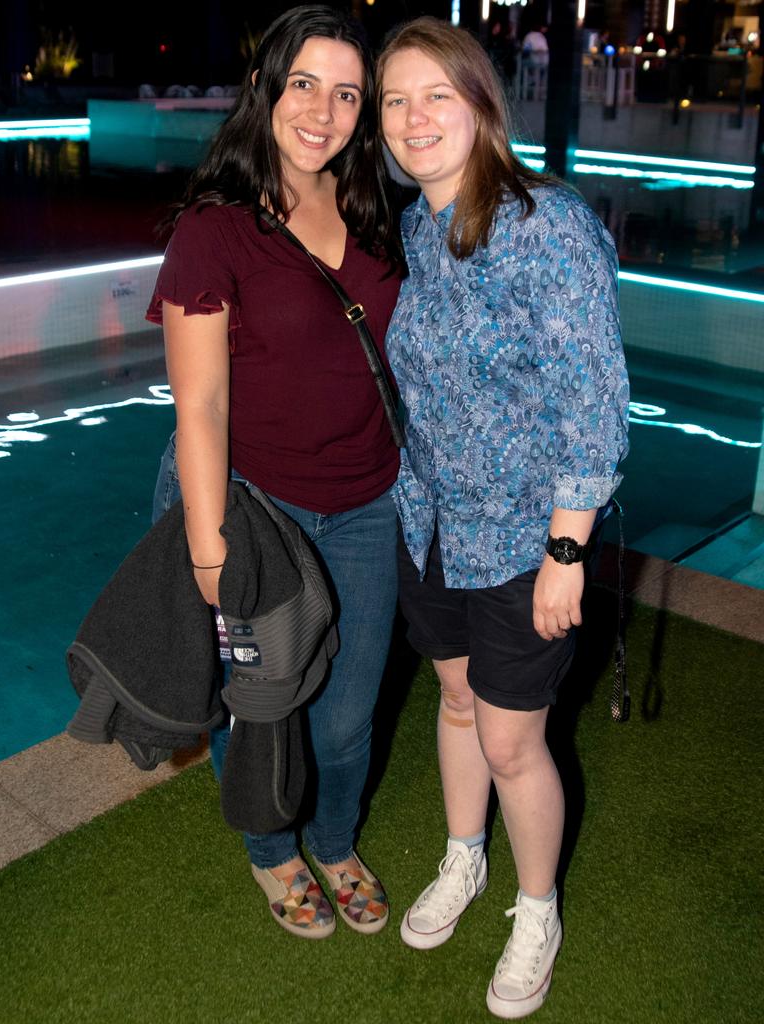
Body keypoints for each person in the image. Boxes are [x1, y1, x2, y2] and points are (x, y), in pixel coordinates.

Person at [377, 17, 629, 1020]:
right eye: (396, 100)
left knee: (516, 740)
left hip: (526, 541)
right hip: (432, 522)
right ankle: (463, 856)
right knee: (455, 704)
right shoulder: (416, 229)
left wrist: (568, 548)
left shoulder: (546, 224)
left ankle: (537, 908)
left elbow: (596, 399)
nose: (413, 118)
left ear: (484, 105)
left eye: (437, 93)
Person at [146, 4, 404, 940]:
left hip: (370, 504)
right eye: (305, 84)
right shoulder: (213, 234)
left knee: (344, 720)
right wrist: (210, 547)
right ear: (264, 89)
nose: (323, 111)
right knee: (260, 710)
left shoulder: (378, 212)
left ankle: (334, 841)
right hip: (262, 511)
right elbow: (201, 407)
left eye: (345, 94)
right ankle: (272, 853)